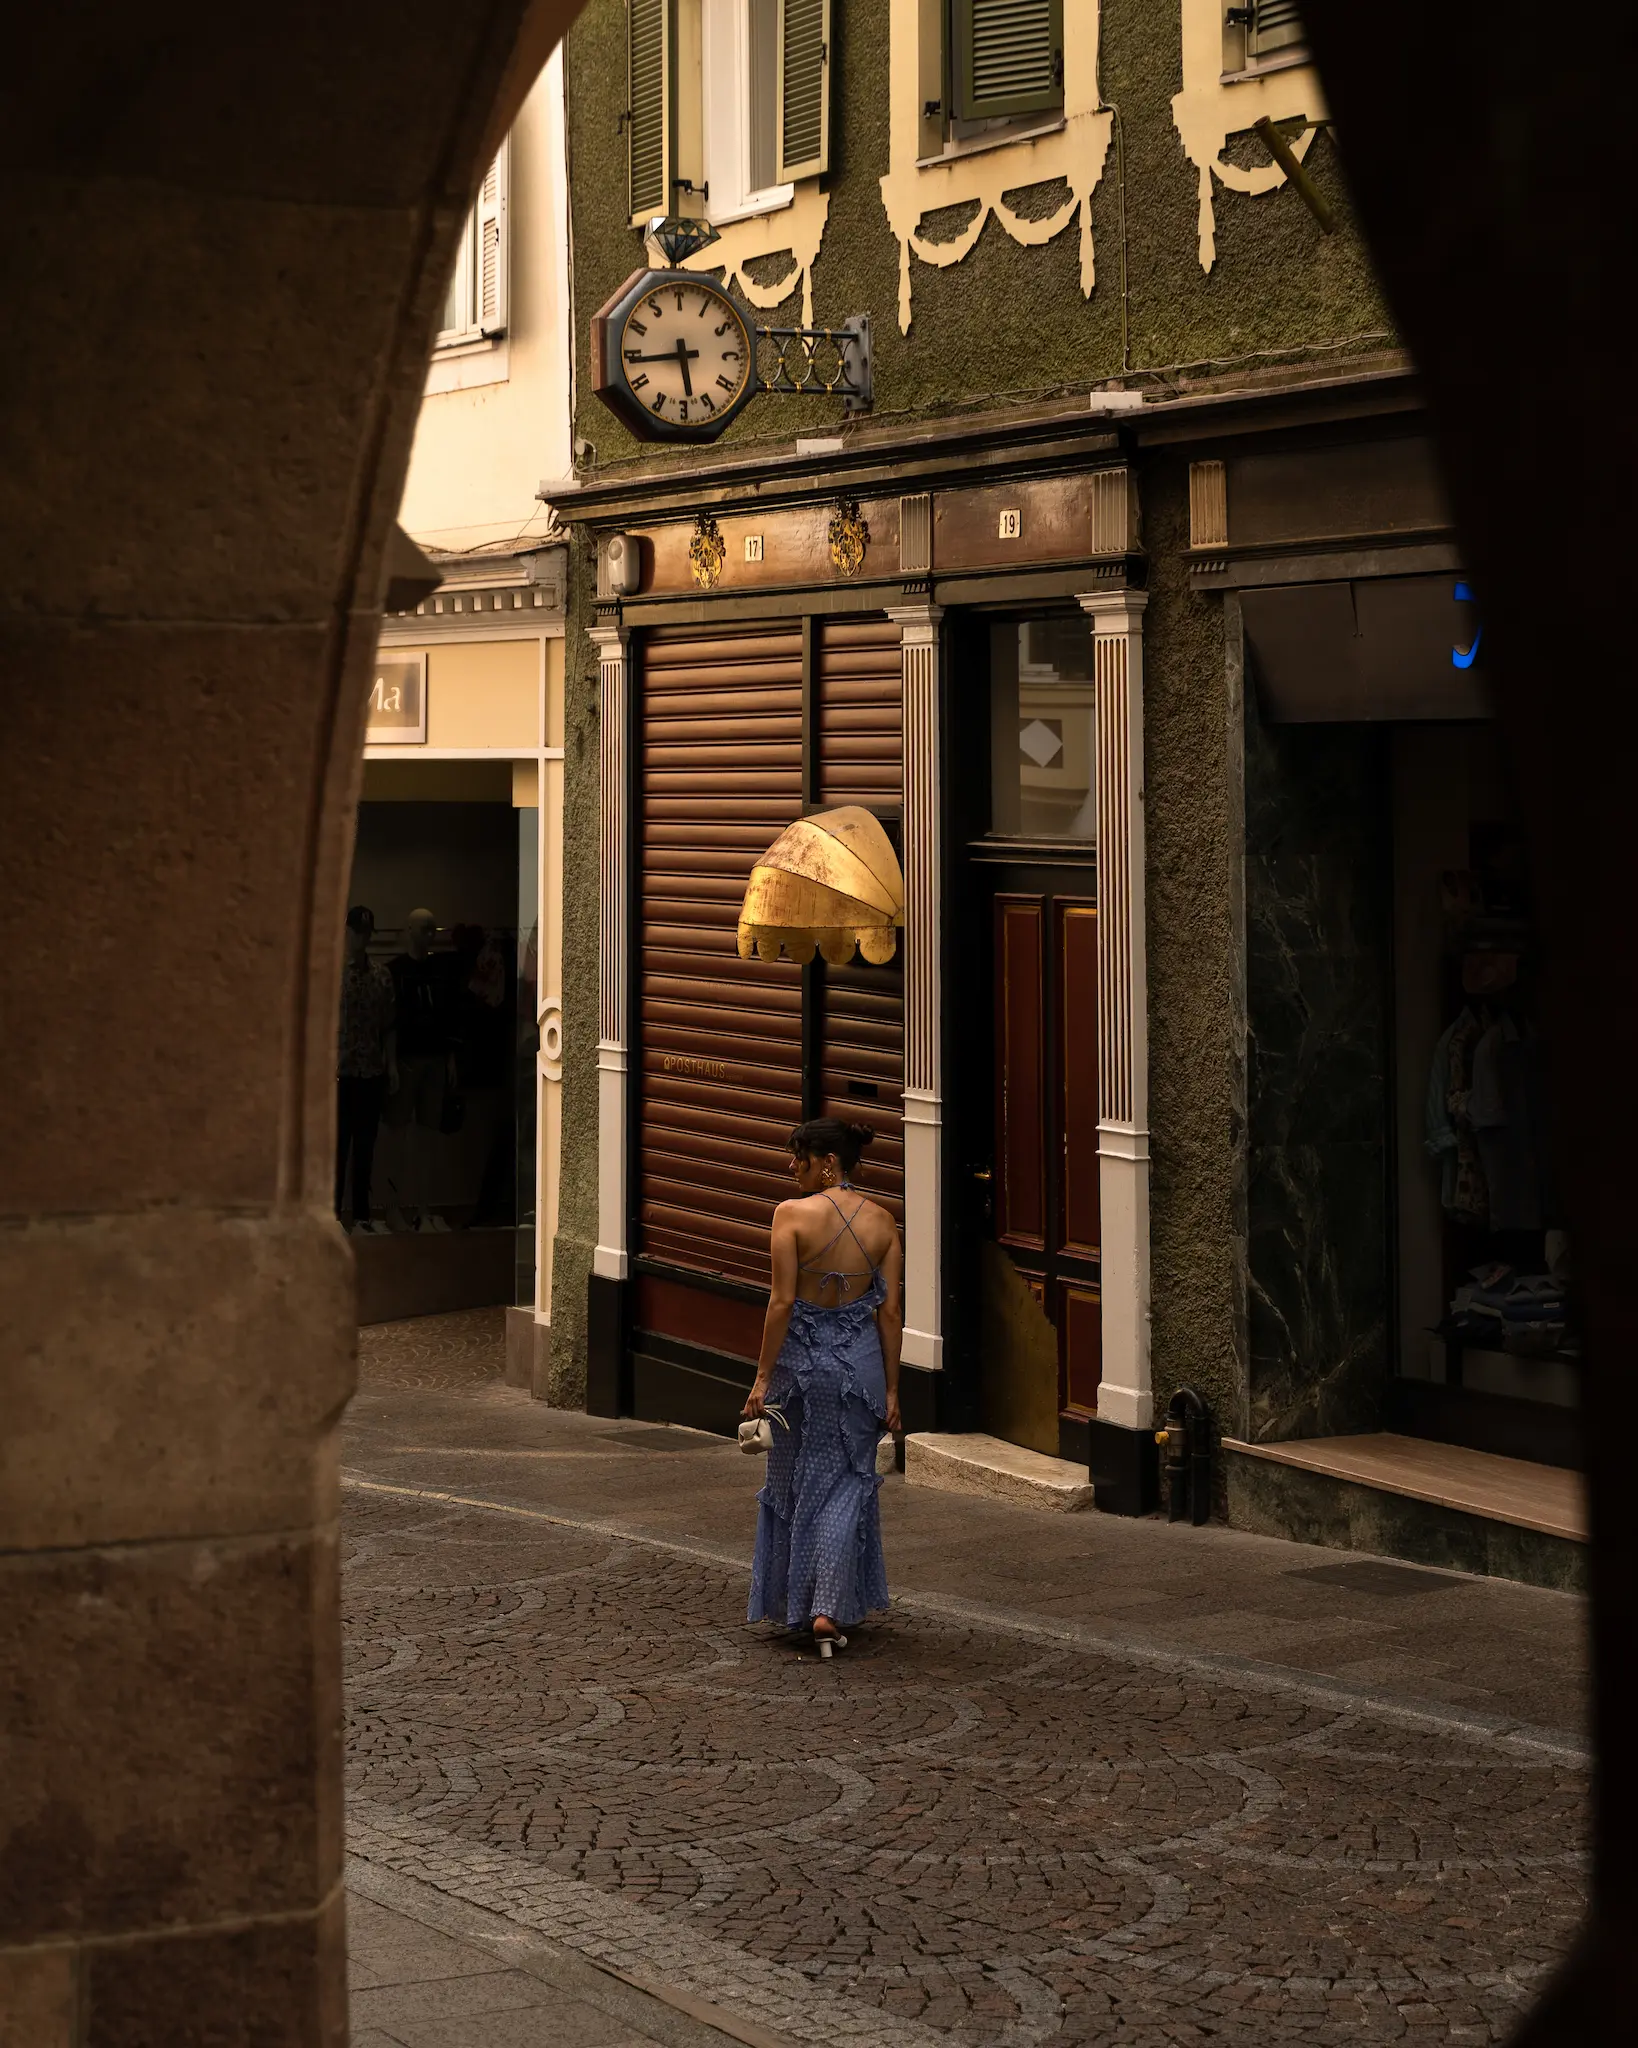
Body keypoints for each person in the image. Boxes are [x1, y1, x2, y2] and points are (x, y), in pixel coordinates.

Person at [744, 1119, 904, 1655]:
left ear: (828, 1162)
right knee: (847, 1486)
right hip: (860, 1373)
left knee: (795, 1485)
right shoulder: (884, 1224)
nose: (792, 1168)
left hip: (801, 1371)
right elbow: (891, 1314)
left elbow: (782, 1303)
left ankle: (801, 1603)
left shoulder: (789, 1216)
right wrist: (893, 1393)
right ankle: (827, 1610)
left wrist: (763, 1377)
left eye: (800, 1158)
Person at [335, 905, 397, 1232]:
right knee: (337, 1148)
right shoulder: (330, 974)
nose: (361, 938)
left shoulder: (381, 976)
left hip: (370, 1073)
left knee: (364, 1148)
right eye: (356, 931)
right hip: (339, 1073)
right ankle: (332, 1215)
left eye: (366, 932)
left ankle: (360, 1215)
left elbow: (388, 1026)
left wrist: (393, 1065)